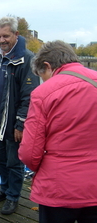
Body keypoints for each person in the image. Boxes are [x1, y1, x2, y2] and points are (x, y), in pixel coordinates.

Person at [19, 40, 97, 223]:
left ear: (48, 66)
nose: (43, 80)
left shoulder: (43, 93)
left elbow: (29, 153)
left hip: (59, 188)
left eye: (42, 75)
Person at [0, 16, 39, 215]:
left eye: (6, 36)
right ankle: (4, 188)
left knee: (14, 162)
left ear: (16, 34)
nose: (2, 40)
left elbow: (28, 96)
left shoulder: (27, 59)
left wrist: (20, 124)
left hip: (12, 123)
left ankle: (13, 196)